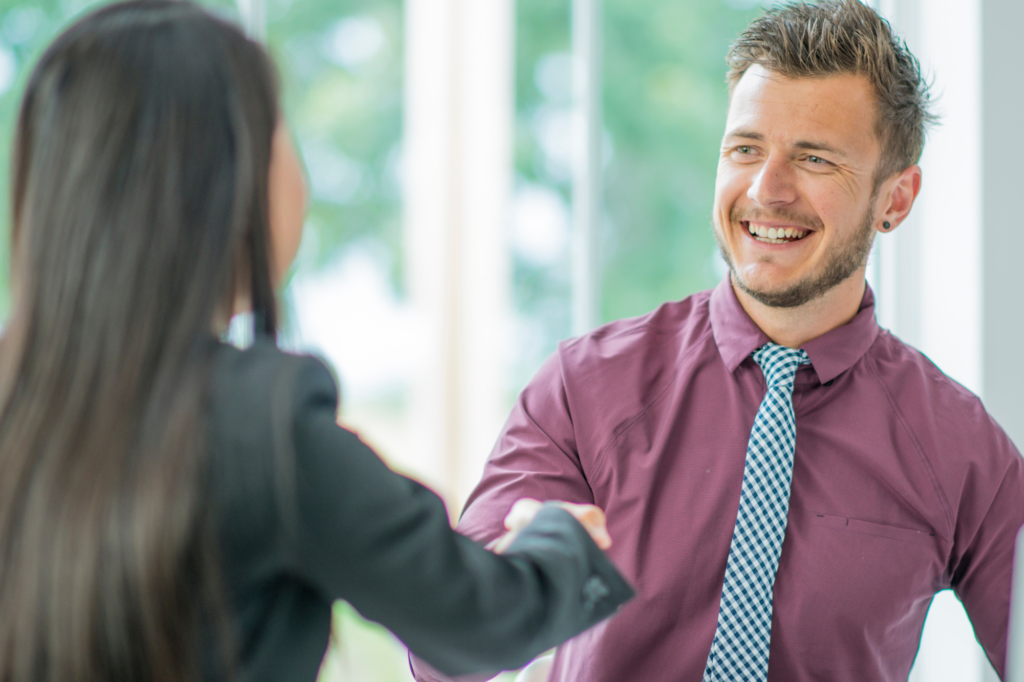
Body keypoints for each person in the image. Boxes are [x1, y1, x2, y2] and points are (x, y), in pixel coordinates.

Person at [0, 3, 635, 682]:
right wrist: (559, 545)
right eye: (282, 138)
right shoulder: (258, 423)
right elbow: (479, 622)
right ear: (220, 183)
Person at [410, 1, 1024, 681]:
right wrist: (505, 590)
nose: (767, 189)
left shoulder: (959, 447)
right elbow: (443, 652)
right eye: (745, 149)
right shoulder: (586, 387)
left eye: (814, 159)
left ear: (895, 200)